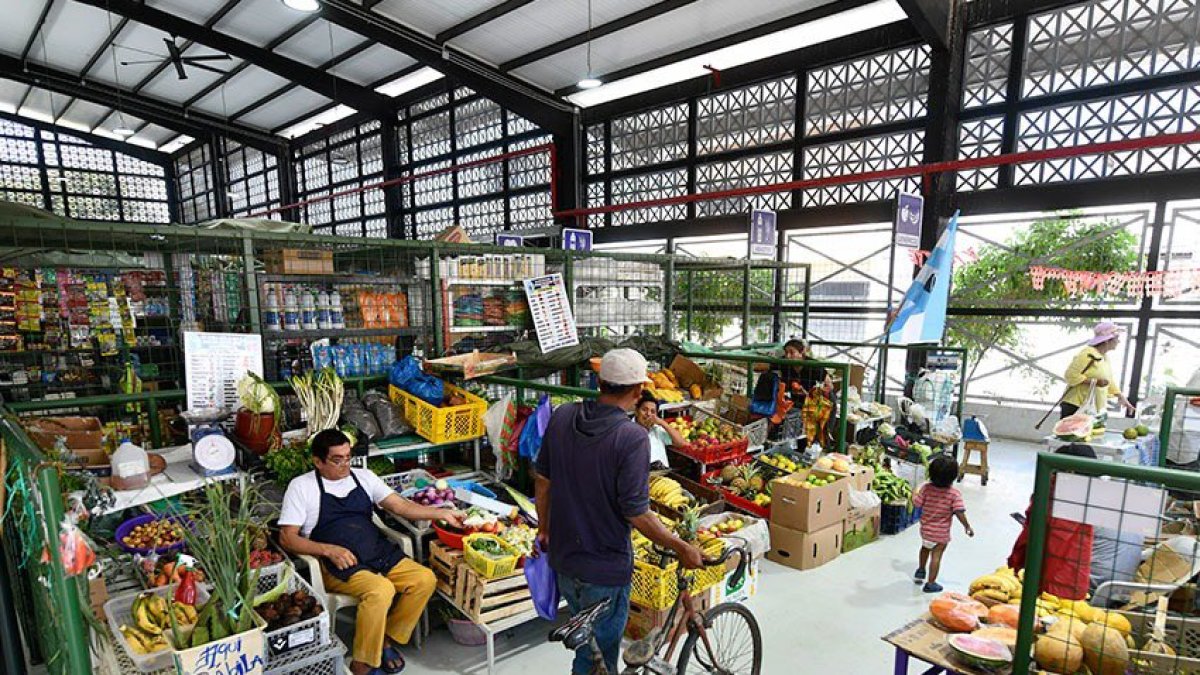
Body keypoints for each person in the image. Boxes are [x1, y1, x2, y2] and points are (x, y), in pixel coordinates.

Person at [534, 348, 704, 675]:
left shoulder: (563, 416)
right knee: (598, 658)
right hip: (605, 570)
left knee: (589, 648)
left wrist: (544, 528)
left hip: (565, 560)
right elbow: (637, 514)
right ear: (639, 390)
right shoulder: (631, 438)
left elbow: (543, 480)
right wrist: (681, 546)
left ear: (599, 381)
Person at [278, 429, 465, 675]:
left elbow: (400, 506)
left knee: (424, 579)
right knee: (380, 590)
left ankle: (385, 640)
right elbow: (287, 538)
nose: (345, 465)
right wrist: (328, 550)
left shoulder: (363, 477)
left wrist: (441, 513)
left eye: (348, 457)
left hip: (377, 552)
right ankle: (362, 664)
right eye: (337, 459)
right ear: (318, 461)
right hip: (339, 564)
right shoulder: (302, 487)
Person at [1007, 443, 1097, 601]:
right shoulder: (1088, 493)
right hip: (1072, 578)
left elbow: (1038, 534)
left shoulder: (1054, 491)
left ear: (1069, 470)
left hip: (1050, 576)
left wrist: (1017, 562)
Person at [913, 454, 974, 593]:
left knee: (924, 548)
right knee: (936, 556)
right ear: (953, 476)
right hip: (941, 534)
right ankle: (931, 583)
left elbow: (917, 503)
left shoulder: (926, 489)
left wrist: (914, 493)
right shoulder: (954, 494)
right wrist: (967, 526)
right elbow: (959, 512)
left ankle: (921, 570)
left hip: (925, 530)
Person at [1061, 321, 1136, 419]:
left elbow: (1108, 381)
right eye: (1117, 338)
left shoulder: (1104, 357)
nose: (1118, 342)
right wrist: (1095, 382)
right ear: (1107, 341)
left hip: (1093, 407)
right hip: (1077, 404)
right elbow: (1070, 375)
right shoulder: (1087, 353)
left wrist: (1121, 397)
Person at [634, 392, 688, 468]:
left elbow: (681, 443)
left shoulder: (657, 429)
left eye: (653, 411)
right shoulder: (628, 430)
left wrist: (663, 423)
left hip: (662, 476)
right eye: (644, 410)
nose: (648, 414)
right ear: (636, 411)